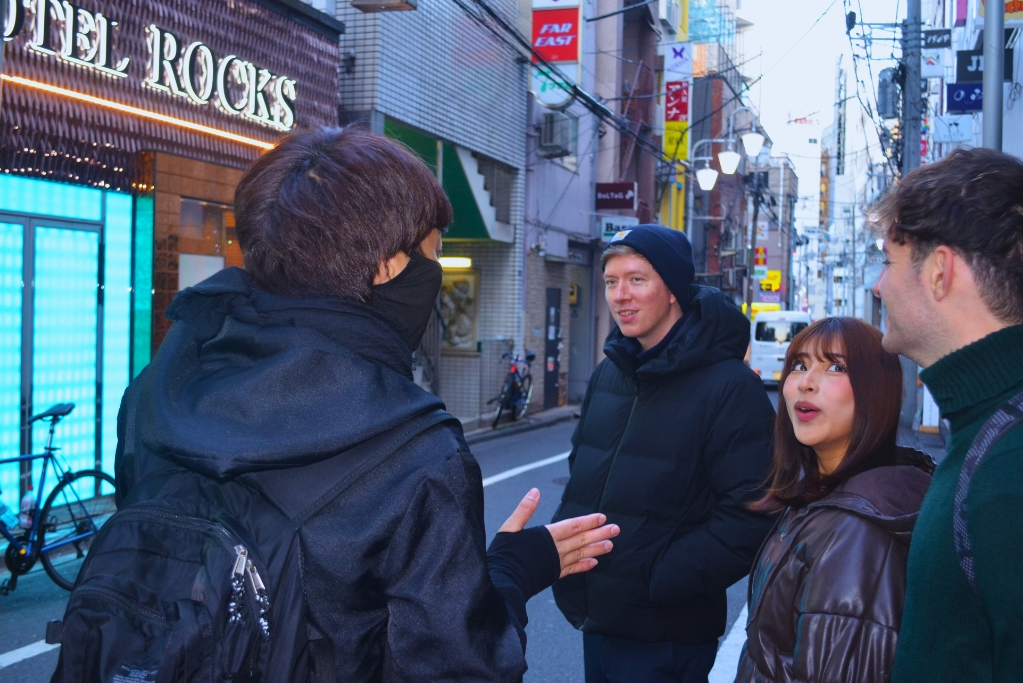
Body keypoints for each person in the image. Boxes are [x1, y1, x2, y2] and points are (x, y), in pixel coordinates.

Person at [112, 127, 619, 682]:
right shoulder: (413, 451)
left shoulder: (156, 395)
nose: (435, 278)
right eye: (434, 255)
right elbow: (458, 669)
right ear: (388, 267)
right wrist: (511, 572)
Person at [551, 225, 776, 683]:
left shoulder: (731, 386)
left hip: (668, 634)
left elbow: (754, 511)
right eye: (612, 282)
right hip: (598, 615)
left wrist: (659, 578)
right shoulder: (609, 374)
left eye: (637, 279)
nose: (620, 296)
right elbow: (584, 472)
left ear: (673, 289)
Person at [870, 148, 1023, 683]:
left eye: (888, 261)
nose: (878, 285)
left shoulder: (1007, 469)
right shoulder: (987, 432)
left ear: (939, 272)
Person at [734, 317, 935, 683]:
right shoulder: (829, 496)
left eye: (836, 367)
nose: (806, 383)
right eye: (800, 365)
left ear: (876, 389)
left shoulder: (857, 533)